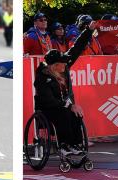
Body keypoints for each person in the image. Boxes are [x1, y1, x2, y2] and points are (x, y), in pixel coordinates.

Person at [33, 20, 96, 156]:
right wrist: (68, 105)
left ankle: (75, 144)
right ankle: (64, 145)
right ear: (53, 66)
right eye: (61, 64)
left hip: (64, 104)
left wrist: (89, 30)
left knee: (76, 114)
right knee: (65, 114)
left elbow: (77, 48)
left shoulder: (63, 65)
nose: (65, 66)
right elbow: (48, 100)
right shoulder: (42, 77)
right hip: (48, 107)